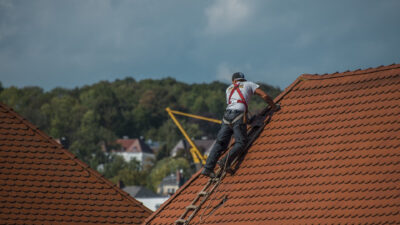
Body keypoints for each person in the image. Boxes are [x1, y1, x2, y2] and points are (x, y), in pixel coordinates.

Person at [201, 72, 279, 178]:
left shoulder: (228, 89)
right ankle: (225, 162)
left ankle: (207, 168)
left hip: (226, 116)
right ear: (243, 79)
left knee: (220, 143)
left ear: (234, 81)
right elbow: (264, 95)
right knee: (241, 142)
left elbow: (236, 103)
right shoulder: (249, 84)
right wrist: (274, 107)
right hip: (238, 115)